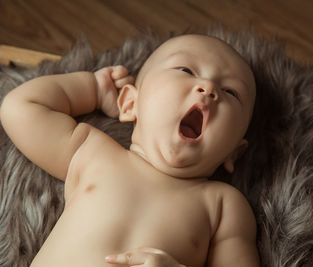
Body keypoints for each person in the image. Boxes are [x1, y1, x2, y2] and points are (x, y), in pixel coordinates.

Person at [0, 34, 259, 267]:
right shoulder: (93, 152)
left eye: (231, 92)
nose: (209, 88)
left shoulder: (224, 205)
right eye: (186, 70)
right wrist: (92, 89)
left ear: (234, 152)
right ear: (130, 103)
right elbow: (20, 108)